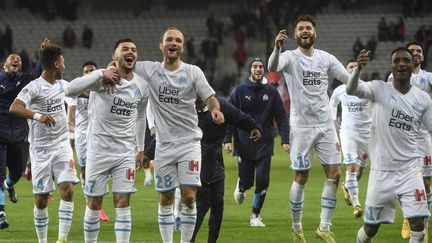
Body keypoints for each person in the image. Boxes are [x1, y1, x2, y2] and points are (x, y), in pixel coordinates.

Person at [134, 27, 224, 243]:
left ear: (182, 47)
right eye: (169, 40)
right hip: (163, 145)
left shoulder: (193, 72)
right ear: (161, 45)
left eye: (177, 40)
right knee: (165, 198)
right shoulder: (150, 70)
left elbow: (210, 96)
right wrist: (110, 69)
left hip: (189, 144)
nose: (173, 43)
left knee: (189, 197)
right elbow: (122, 64)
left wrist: (215, 109)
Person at [268, 15, 353, 243]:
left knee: (334, 175)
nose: (305, 31)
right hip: (301, 127)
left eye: (309, 28)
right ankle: (297, 229)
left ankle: (324, 227)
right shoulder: (289, 57)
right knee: (301, 177)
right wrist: (276, 48)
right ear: (296, 35)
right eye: (301, 28)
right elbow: (272, 66)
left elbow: (348, 79)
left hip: (325, 125)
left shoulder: (326, 58)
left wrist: (362, 79)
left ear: (315, 33)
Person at [65, 38, 148, 243]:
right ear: (115, 56)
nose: (131, 52)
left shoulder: (142, 85)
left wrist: (141, 148)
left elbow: (139, 116)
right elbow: (70, 90)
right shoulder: (101, 78)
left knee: (123, 201)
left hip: (124, 153)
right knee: (94, 203)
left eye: (134, 50)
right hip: (98, 150)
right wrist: (100, 73)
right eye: (125, 49)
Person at [348, 47, 431, 243]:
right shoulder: (378, 88)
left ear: (412, 66)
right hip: (382, 172)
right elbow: (352, 89)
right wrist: (358, 69)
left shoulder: (423, 99)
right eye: (397, 61)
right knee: (370, 228)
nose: (402, 64)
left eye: (406, 61)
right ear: (391, 66)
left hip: (410, 170)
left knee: (418, 224)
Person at [9, 45, 79, 243]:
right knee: (41, 199)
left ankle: (62, 239)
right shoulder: (34, 86)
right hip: (40, 150)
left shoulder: (62, 85)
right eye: (63, 62)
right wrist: (38, 116)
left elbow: (84, 93)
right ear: (56, 64)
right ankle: (43, 241)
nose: (65, 66)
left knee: (67, 189)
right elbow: (15, 107)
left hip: (62, 146)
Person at [224, 57, 289, 227]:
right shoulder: (239, 91)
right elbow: (229, 116)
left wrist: (285, 139)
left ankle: (255, 216)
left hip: (265, 142)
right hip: (243, 142)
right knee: (247, 181)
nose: (258, 69)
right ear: (250, 70)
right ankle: (242, 185)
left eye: (261, 66)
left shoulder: (272, 92)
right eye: (255, 66)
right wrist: (227, 140)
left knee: (262, 180)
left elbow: (281, 117)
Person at [0, 38, 50, 229]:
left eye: (19, 60)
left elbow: (39, 73)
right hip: (1, 133)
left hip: (20, 134)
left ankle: (9, 184)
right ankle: (1, 213)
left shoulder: (25, 80)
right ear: (5, 64)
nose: (16, 61)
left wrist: (43, 54)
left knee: (17, 172)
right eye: (13, 59)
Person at [388, 41, 432, 240]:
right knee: (401, 180)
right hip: (402, 136)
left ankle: (424, 224)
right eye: (412, 51)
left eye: (419, 51)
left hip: (424, 137)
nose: (416, 53)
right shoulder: (394, 77)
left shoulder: (428, 78)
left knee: (426, 182)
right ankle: (408, 215)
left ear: (422, 57)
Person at [67, 61, 110, 222]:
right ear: (83, 73)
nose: (89, 72)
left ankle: (98, 206)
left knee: (100, 168)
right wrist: (71, 123)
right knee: (85, 169)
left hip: (99, 134)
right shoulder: (77, 88)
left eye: (92, 70)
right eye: (86, 71)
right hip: (82, 134)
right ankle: (90, 200)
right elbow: (71, 109)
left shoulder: (102, 86)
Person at [329, 60, 372, 218]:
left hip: (367, 134)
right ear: (346, 72)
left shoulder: (369, 88)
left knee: (359, 170)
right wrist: (333, 120)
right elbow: (332, 103)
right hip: (348, 133)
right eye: (350, 67)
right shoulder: (340, 89)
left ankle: (347, 186)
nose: (354, 69)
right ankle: (357, 205)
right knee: (352, 168)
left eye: (356, 66)